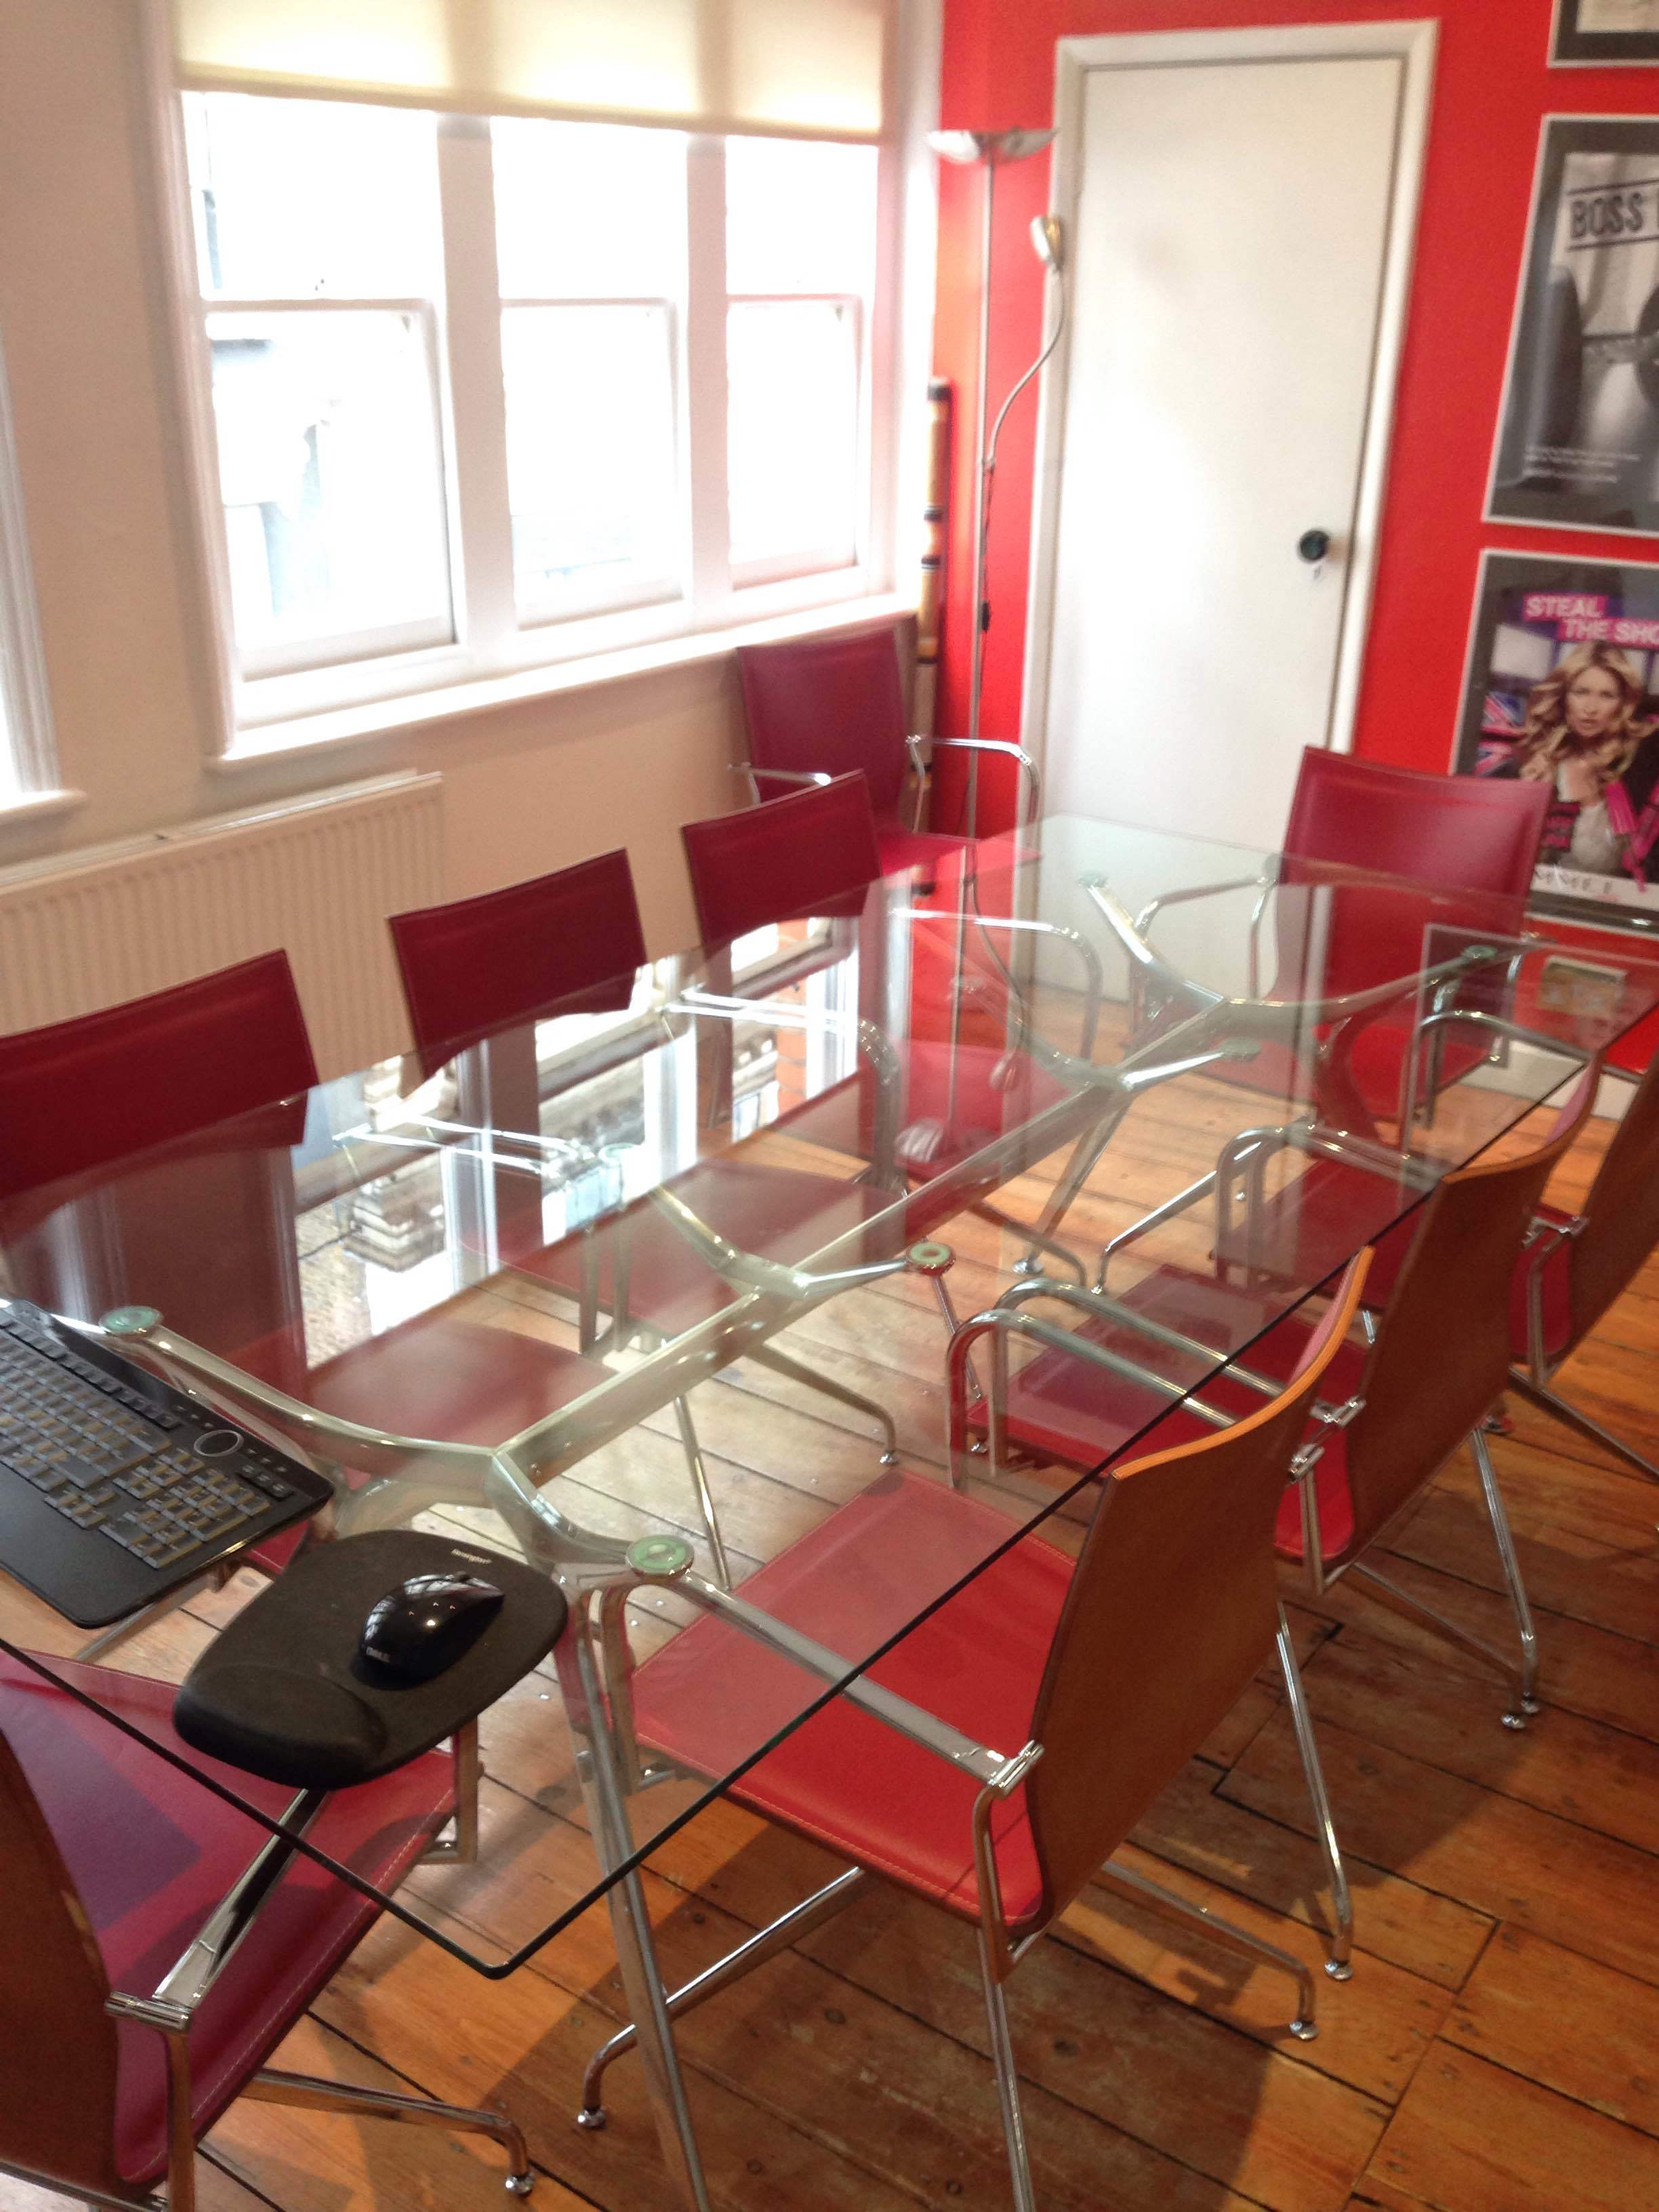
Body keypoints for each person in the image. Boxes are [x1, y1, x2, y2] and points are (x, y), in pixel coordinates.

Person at [1487, 641, 1659, 882]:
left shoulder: (1640, 766)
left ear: (1623, 704)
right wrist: (1530, 797)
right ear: (1563, 696)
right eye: (1581, 692)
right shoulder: (1530, 764)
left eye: (1607, 696)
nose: (1591, 708)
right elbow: (1495, 853)